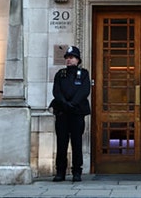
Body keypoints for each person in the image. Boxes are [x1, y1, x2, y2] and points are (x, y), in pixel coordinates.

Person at [50, 45, 91, 182]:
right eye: (67, 58)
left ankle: (77, 171)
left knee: (77, 143)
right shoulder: (60, 74)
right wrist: (65, 104)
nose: (69, 60)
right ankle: (60, 171)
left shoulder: (84, 74)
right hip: (62, 113)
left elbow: (84, 91)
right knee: (61, 143)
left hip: (76, 112)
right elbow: (56, 91)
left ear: (78, 60)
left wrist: (72, 103)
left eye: (72, 57)